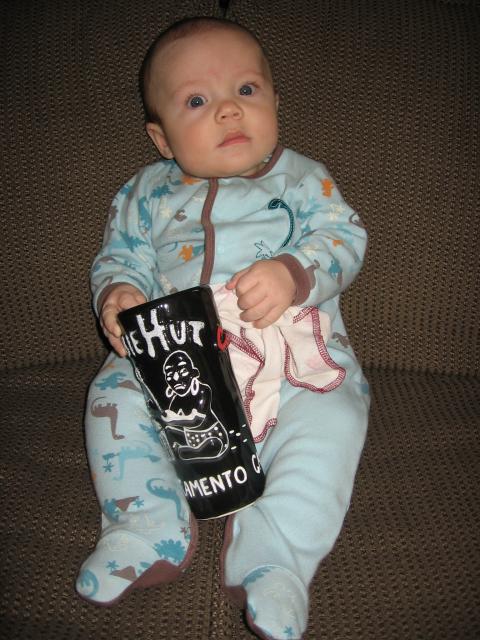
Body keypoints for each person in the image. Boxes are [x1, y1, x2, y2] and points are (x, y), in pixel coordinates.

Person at [76, 16, 370, 640]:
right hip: (174, 356)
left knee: (336, 416)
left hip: (289, 355)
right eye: (196, 101)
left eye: (246, 90)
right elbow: (120, 256)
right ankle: (145, 524)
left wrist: (294, 273)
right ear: (161, 138)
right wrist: (120, 294)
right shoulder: (144, 194)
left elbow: (344, 238)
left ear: (275, 102)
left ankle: (276, 556)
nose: (229, 111)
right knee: (112, 397)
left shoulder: (303, 178)